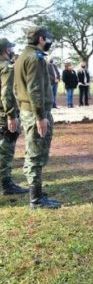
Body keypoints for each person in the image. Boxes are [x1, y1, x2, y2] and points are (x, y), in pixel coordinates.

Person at [13, 26, 61, 209]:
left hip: (28, 111)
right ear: (41, 39)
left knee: (34, 151)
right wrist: (40, 116)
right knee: (36, 153)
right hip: (35, 113)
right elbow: (35, 89)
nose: (49, 41)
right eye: (48, 38)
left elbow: (17, 88)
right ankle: (36, 199)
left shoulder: (22, 57)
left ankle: (38, 194)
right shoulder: (36, 58)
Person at [0, 38, 27, 195]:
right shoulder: (7, 68)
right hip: (4, 114)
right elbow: (7, 93)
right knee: (6, 149)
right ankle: (5, 184)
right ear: (7, 50)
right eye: (11, 48)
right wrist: (11, 115)